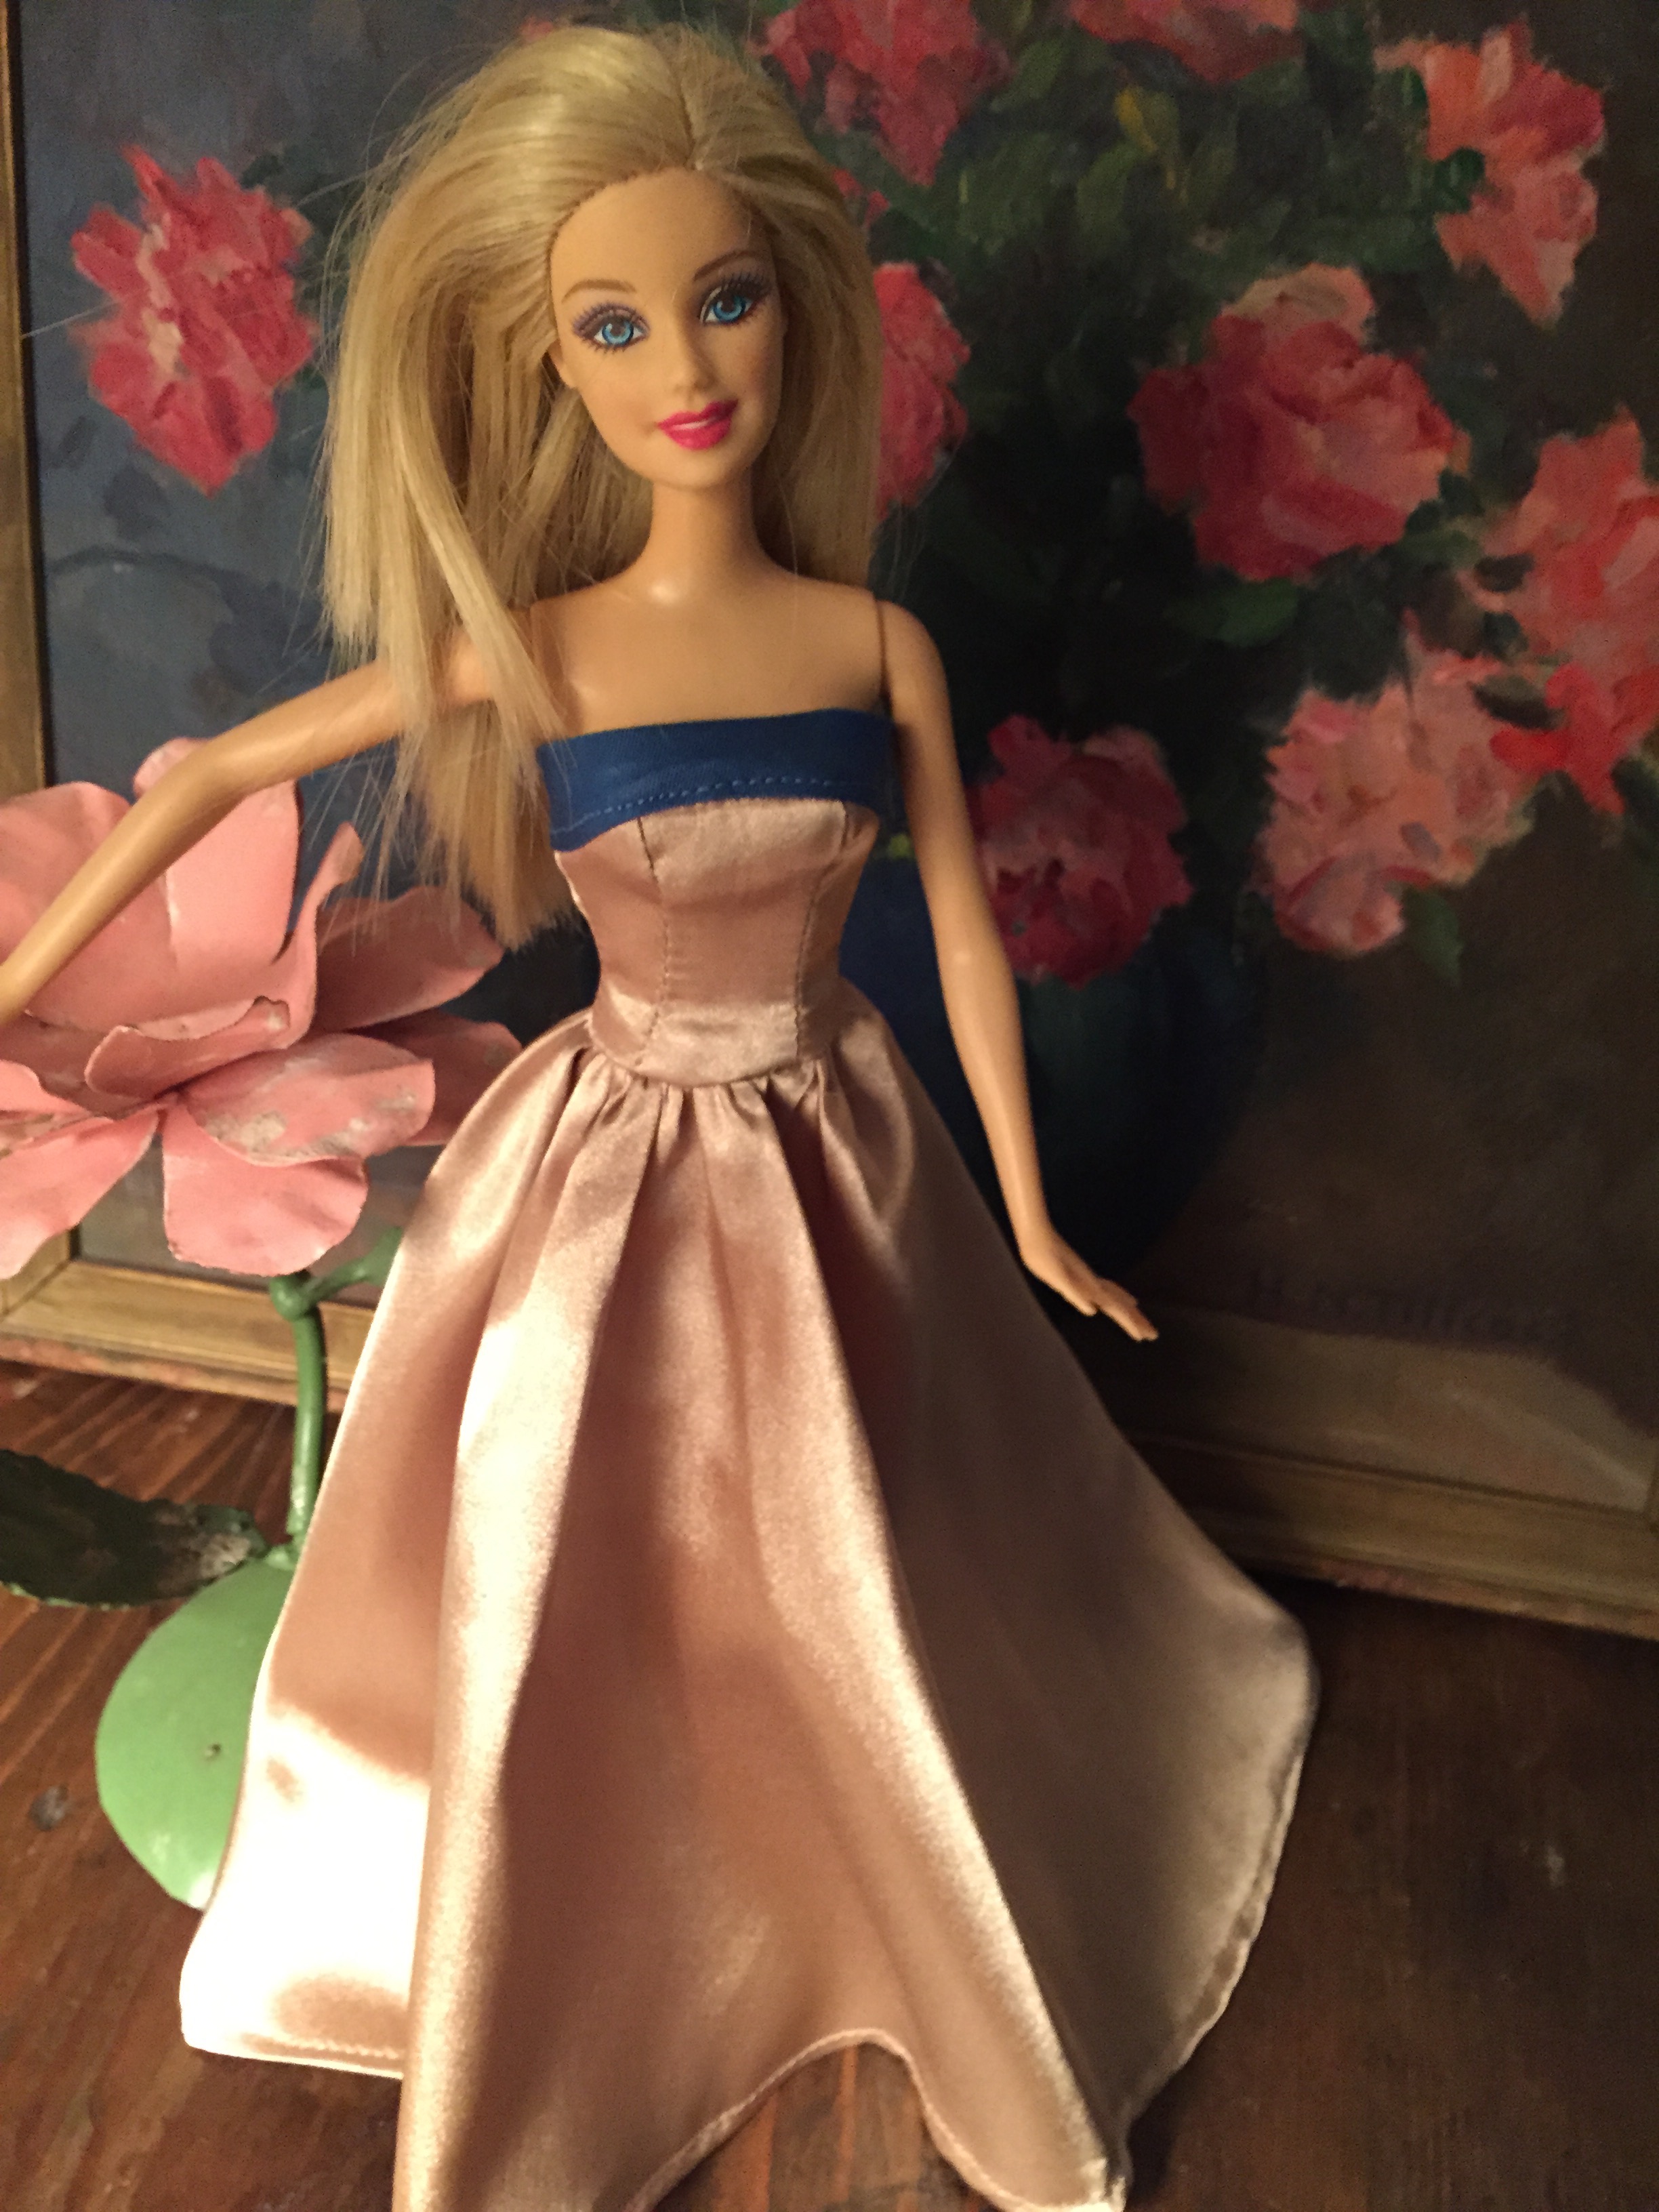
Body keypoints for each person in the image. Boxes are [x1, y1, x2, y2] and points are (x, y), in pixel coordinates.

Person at [0, 26, 1315, 2212]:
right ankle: (605, 1897)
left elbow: (963, 933)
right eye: (613, 325)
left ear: (796, 309)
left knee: (865, 1531)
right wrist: (17, 983)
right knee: (585, 1528)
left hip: (843, 1135)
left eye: (725, 300)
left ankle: (858, 1867)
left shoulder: (872, 643)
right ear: (549, 366)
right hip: (609, 1153)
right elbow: (225, 768)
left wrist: (1026, 1210)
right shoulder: (536, 648)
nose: (686, 367)